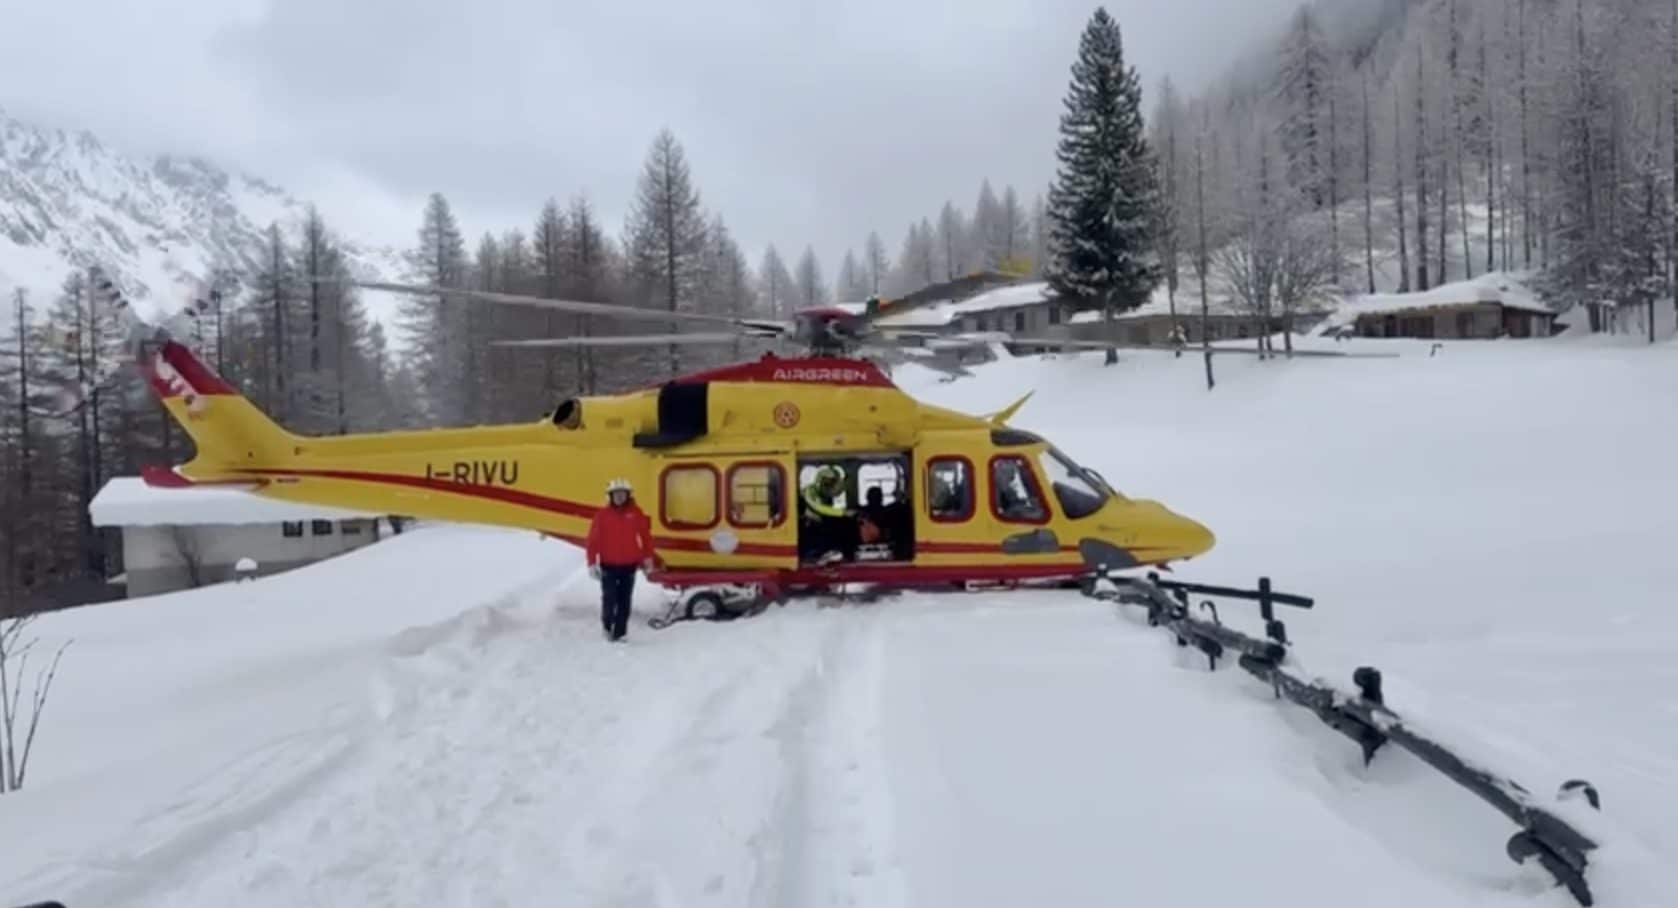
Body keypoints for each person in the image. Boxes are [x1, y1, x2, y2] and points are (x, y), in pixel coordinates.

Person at [585, 478, 656, 642]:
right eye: (616, 494)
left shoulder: (636, 513)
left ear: (628, 495)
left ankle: (620, 632)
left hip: (629, 565)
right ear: (610, 496)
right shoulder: (602, 515)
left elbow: (646, 537)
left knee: (625, 600)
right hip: (608, 565)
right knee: (609, 598)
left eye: (622, 494)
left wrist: (648, 558)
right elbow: (593, 540)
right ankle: (607, 626)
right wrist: (591, 562)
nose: (619, 497)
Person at [800, 465, 853, 563]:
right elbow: (818, 507)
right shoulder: (809, 491)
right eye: (829, 483)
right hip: (809, 526)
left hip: (819, 524)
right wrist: (842, 512)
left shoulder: (825, 494)